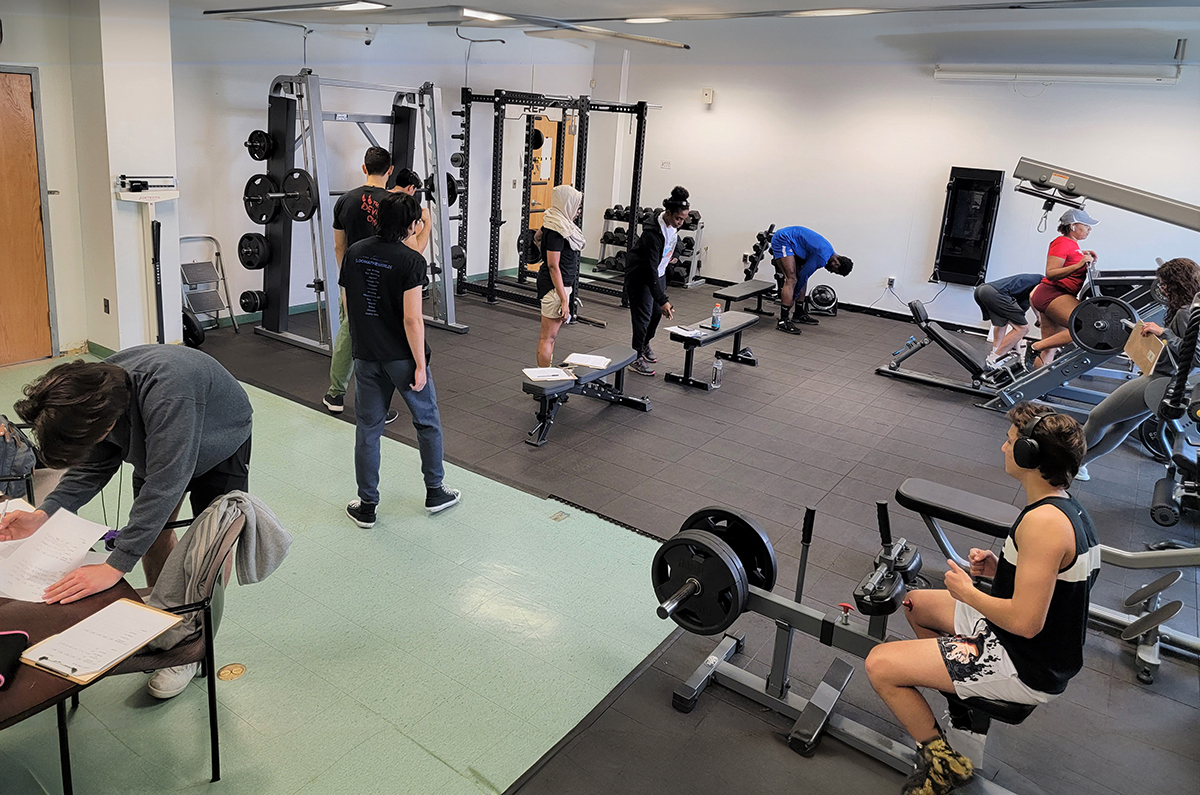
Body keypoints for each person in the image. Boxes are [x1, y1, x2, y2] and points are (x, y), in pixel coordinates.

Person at [864, 403, 1099, 795]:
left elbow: (1026, 622)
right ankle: (962, 704)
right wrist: (998, 571)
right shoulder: (1064, 507)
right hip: (1021, 641)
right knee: (916, 604)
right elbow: (1056, 588)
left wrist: (969, 593)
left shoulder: (1044, 525)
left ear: (1029, 455)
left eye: (1009, 443)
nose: (1003, 449)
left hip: (1024, 662)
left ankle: (944, 765)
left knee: (880, 665)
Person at [0, 346, 253, 698]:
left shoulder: (168, 393)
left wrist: (115, 565)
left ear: (107, 424)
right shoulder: (92, 397)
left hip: (220, 435)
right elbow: (92, 467)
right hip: (161, 440)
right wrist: (43, 515)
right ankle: (166, 626)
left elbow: (166, 484)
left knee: (208, 547)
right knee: (151, 533)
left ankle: (192, 644)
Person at [339, 192, 460, 527]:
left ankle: (367, 507)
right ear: (412, 225)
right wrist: (420, 365)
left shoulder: (355, 252)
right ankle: (435, 491)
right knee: (427, 423)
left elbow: (349, 304)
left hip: (366, 356)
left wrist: (366, 336)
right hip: (402, 360)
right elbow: (412, 320)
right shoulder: (411, 261)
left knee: (368, 430)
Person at [323, 150, 429, 418]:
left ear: (363, 168)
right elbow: (414, 252)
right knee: (390, 333)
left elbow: (339, 246)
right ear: (390, 170)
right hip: (390, 283)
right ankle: (382, 402)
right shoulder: (395, 204)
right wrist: (427, 224)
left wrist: (347, 277)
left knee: (350, 330)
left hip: (354, 277)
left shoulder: (345, 200)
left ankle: (335, 394)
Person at [1074, 257, 1200, 481]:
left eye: (1165, 284)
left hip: (1160, 380)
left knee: (1097, 418)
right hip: (1164, 380)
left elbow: (1197, 355)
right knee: (1122, 427)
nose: (1162, 289)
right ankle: (1080, 466)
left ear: (1177, 284)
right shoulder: (1186, 309)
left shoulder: (1185, 312)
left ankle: (1067, 463)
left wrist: (1164, 333)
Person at [625, 187, 688, 377]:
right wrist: (663, 298)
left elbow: (678, 243)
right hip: (641, 276)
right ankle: (635, 358)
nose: (681, 223)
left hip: (657, 274)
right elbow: (649, 269)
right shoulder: (652, 234)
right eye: (678, 218)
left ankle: (644, 344)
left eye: (683, 219)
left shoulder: (672, 227)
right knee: (643, 317)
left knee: (655, 314)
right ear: (668, 213)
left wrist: (673, 255)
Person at [1026, 209, 1100, 369]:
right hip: (1052, 294)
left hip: (1055, 296)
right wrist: (1079, 264)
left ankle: (1036, 386)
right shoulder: (1061, 242)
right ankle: (1034, 347)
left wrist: (1083, 257)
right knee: (1085, 328)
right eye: (1086, 225)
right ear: (1073, 226)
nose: (1089, 229)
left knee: (1049, 348)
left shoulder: (1073, 246)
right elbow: (1051, 273)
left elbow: (1069, 261)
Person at [535, 185, 586, 367]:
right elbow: (552, 266)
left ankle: (546, 378)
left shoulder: (556, 222)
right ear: (566, 204)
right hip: (555, 287)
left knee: (551, 337)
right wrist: (564, 300)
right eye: (576, 206)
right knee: (547, 338)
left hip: (558, 286)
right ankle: (544, 384)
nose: (578, 211)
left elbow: (537, 238)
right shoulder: (556, 229)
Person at [769, 225, 854, 334]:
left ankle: (798, 313)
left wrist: (794, 298)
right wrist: (793, 299)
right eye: (834, 271)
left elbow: (804, 277)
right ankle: (783, 321)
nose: (830, 271)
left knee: (802, 279)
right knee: (791, 279)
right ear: (836, 264)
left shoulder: (830, 253)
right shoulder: (822, 257)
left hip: (795, 243)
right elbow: (803, 276)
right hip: (784, 238)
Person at [972, 273, 1043, 367]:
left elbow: (1018, 321)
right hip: (994, 294)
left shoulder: (1026, 289)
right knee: (1023, 328)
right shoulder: (1044, 283)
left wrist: (1018, 351)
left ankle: (995, 352)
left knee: (1002, 323)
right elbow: (1032, 296)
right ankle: (994, 360)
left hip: (982, 290)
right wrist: (1038, 317)